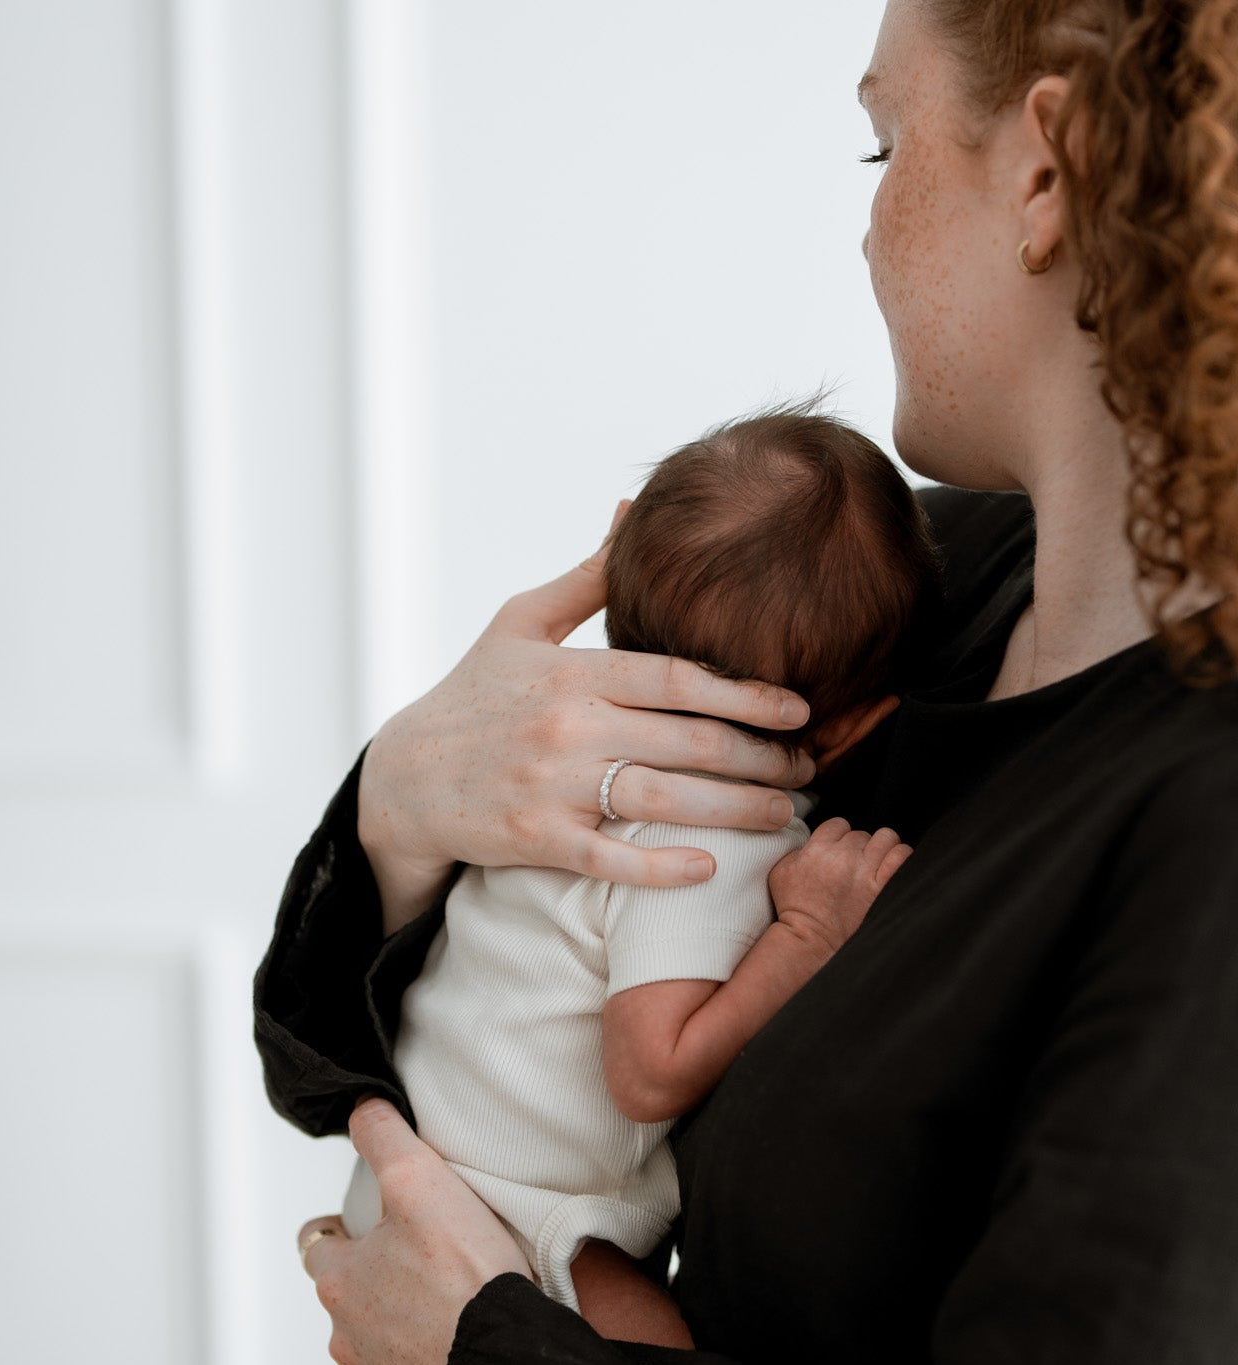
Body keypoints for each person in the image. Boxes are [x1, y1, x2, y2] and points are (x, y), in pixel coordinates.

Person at [254, 0, 1238, 1360]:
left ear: (1046, 171)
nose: (866, 228)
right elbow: (322, 1047)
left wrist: (482, 1340)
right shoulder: (920, 588)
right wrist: (410, 797)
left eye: (883, 146)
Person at [338, 409, 938, 1346]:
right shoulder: (712, 834)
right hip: (504, 1213)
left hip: (423, 1156)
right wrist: (807, 938)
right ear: (857, 727)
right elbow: (650, 1073)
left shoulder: (555, 756)